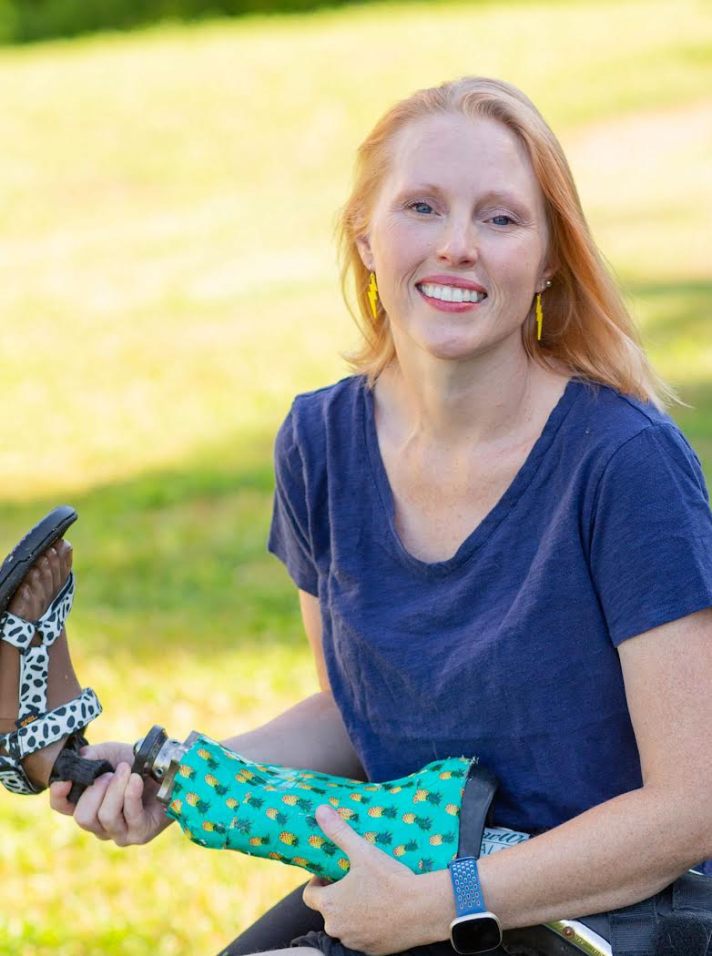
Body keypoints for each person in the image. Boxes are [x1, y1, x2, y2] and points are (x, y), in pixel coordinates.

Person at [3, 76, 712, 956]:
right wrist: (174, 772)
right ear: (365, 236)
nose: (458, 246)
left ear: (548, 261)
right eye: (422, 207)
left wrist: (445, 904)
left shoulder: (622, 460)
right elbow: (360, 708)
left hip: (600, 905)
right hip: (415, 866)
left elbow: (691, 807)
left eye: (500, 219)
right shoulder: (320, 442)